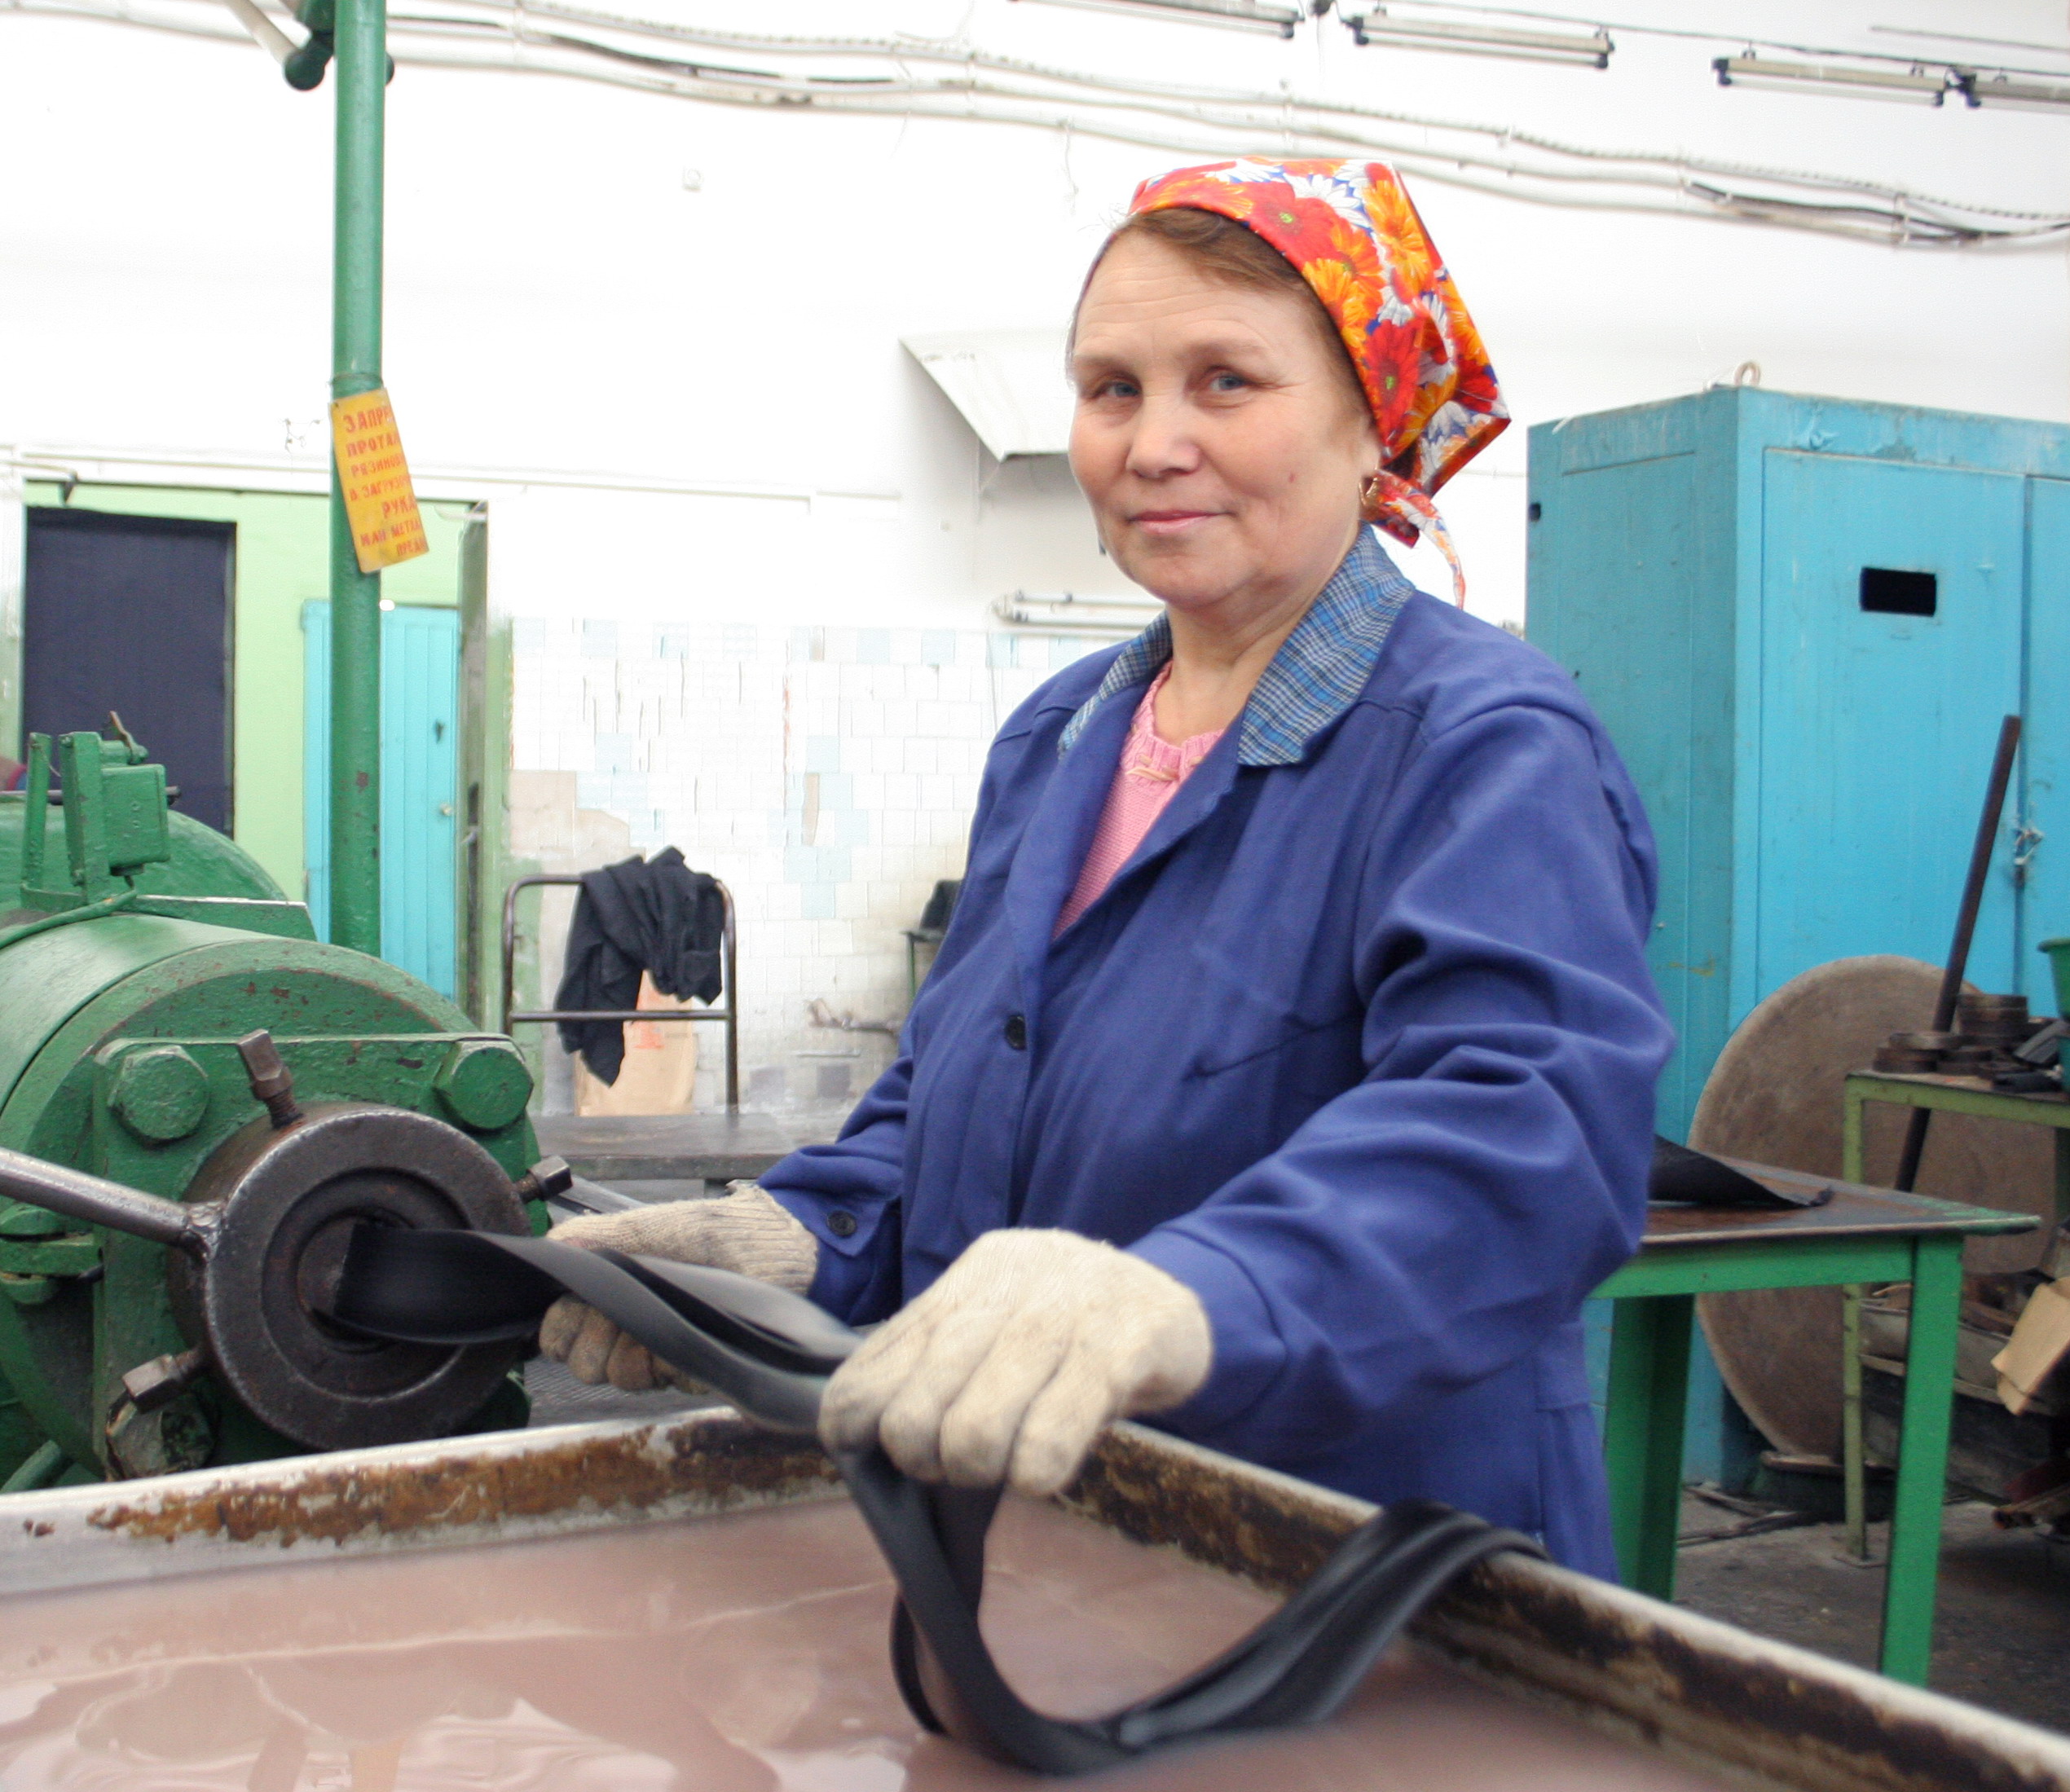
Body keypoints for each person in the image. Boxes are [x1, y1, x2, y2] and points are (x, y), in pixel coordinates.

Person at [541, 157, 1671, 1577]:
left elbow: (1526, 1136)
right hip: (1050, 1545)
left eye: (1226, 383)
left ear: (1368, 424)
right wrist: (780, 1238)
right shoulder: (1057, 738)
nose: (1152, 442)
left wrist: (1181, 1295)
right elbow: (955, 1110)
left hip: (1365, 1579)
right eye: (1112, 388)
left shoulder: (1483, 746)